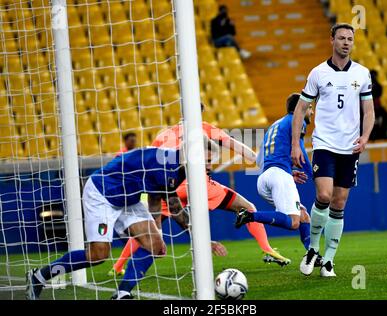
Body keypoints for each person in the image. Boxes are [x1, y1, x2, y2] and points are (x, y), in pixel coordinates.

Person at [109, 103, 291, 272]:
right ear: (199, 112)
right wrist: (260, 161)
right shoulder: (203, 127)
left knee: (150, 227)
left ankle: (118, 266)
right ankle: (267, 249)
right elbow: (236, 145)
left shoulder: (163, 134)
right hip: (195, 181)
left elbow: (153, 162)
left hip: (167, 186)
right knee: (248, 208)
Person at [26, 146, 189, 300]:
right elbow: (165, 203)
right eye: (207, 160)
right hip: (102, 193)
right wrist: (179, 233)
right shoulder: (166, 165)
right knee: (98, 255)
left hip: (128, 199)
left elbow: (166, 200)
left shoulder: (181, 166)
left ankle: (122, 293)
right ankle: (40, 275)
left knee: (155, 245)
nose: (209, 165)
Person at [291, 23, 375, 277]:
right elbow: (300, 109)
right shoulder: (318, 73)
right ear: (332, 40)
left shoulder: (362, 73)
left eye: (350, 38)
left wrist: (365, 136)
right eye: (341, 38)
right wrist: (296, 143)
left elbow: (369, 111)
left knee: (339, 202)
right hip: (325, 144)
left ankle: (328, 259)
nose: (346, 42)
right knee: (324, 196)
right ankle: (313, 249)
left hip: (350, 148)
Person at [234, 93, 320, 264]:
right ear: (300, 108)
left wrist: (287, 169)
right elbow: (300, 153)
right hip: (279, 176)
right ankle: (250, 216)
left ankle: (314, 256)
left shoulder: (276, 124)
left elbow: (260, 160)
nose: (311, 112)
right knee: (294, 222)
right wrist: (315, 176)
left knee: (303, 216)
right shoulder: (297, 121)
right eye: (309, 107)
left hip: (265, 177)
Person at [369, 70, 387, 140]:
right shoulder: (365, 84)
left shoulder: (378, 85)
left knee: (385, 114)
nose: (373, 77)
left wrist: (375, 84)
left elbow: (379, 93)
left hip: (376, 107)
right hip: (367, 107)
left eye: (375, 76)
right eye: (372, 75)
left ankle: (383, 132)